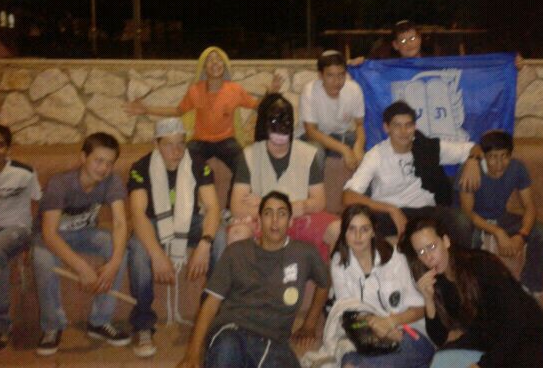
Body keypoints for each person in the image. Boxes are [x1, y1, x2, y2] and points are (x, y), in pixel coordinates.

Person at [177, 191, 330, 368]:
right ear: (259, 220)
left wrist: (310, 324)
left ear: (290, 221)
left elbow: (324, 282)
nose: (274, 221)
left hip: (274, 342)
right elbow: (211, 304)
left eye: (281, 214)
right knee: (226, 349)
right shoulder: (236, 252)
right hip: (232, 331)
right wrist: (192, 353)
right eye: (268, 214)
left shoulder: (304, 253)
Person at [127, 118, 226, 358]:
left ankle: (211, 316)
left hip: (188, 222)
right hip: (154, 224)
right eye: (169, 144)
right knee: (138, 247)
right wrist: (157, 254)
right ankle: (143, 324)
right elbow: (138, 214)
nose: (177, 151)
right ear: (156, 144)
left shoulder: (198, 165)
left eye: (181, 143)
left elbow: (213, 208)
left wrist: (205, 244)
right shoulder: (141, 168)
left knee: (221, 236)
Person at [402, 216, 543, 368]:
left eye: (432, 247)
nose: (428, 257)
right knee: (439, 361)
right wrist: (428, 299)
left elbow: (515, 320)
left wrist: (484, 365)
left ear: (446, 241)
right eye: (421, 251)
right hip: (488, 339)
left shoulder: (481, 265)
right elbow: (439, 338)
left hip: (527, 335)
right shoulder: (439, 281)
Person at [32, 132, 130, 356]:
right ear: (83, 157)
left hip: (86, 233)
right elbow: (49, 234)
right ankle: (52, 326)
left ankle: (99, 321)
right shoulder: (60, 183)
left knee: (119, 250)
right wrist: (82, 267)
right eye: (98, 160)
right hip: (52, 237)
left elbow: (119, 223)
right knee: (43, 260)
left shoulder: (112, 181)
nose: (103, 168)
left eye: (109, 163)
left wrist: (114, 262)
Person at [124, 46, 282, 175]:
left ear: (224, 65)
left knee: (244, 167)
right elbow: (178, 111)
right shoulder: (195, 90)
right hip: (200, 142)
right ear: (204, 68)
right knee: (183, 165)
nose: (215, 62)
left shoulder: (235, 90)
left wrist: (271, 93)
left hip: (226, 141)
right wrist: (146, 109)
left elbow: (258, 106)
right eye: (210, 60)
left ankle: (233, 202)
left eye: (218, 59)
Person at [343, 101, 481, 246]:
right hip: (388, 214)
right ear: (386, 128)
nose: (404, 131)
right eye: (397, 126)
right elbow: (348, 196)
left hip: (425, 212)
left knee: (460, 222)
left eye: (408, 125)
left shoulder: (428, 147)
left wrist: (473, 160)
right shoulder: (375, 155)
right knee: (365, 227)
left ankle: (456, 260)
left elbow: (474, 148)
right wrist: (391, 210)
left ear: (414, 127)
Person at [228, 94, 340, 261]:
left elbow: (319, 201)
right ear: (266, 126)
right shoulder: (249, 155)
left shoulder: (308, 154)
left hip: (299, 218)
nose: (280, 131)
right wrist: (273, 213)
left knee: (337, 229)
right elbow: (237, 206)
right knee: (237, 234)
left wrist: (286, 207)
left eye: (285, 122)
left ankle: (334, 278)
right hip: (262, 220)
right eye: (274, 122)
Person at [331, 204, 435, 368]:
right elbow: (348, 311)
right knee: (349, 365)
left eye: (364, 229)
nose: (358, 236)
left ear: (373, 231)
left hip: (408, 331)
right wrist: (378, 329)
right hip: (365, 335)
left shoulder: (397, 258)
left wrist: (390, 322)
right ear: (344, 232)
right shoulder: (339, 263)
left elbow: (420, 309)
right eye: (352, 229)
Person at [457, 130, 543, 299]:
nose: (500, 164)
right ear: (484, 156)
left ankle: (530, 290)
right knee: (468, 235)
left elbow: (529, 206)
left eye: (504, 156)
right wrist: (497, 232)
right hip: (475, 219)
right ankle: (471, 292)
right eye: (493, 157)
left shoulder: (517, 168)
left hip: (500, 216)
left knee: (542, 232)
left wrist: (522, 235)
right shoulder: (471, 171)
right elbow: (468, 213)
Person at [0, 124, 42, 356]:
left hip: (15, 229)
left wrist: (33, 238)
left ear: (8, 149)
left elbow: (37, 203)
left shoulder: (24, 173)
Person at [298, 50, 366, 171]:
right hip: (313, 137)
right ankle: (315, 183)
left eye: (341, 75)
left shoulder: (354, 89)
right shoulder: (310, 91)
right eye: (330, 75)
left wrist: (359, 147)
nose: (337, 81)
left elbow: (360, 125)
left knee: (367, 156)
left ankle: (357, 184)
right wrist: (344, 149)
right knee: (315, 152)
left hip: (342, 135)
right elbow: (311, 131)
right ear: (320, 75)